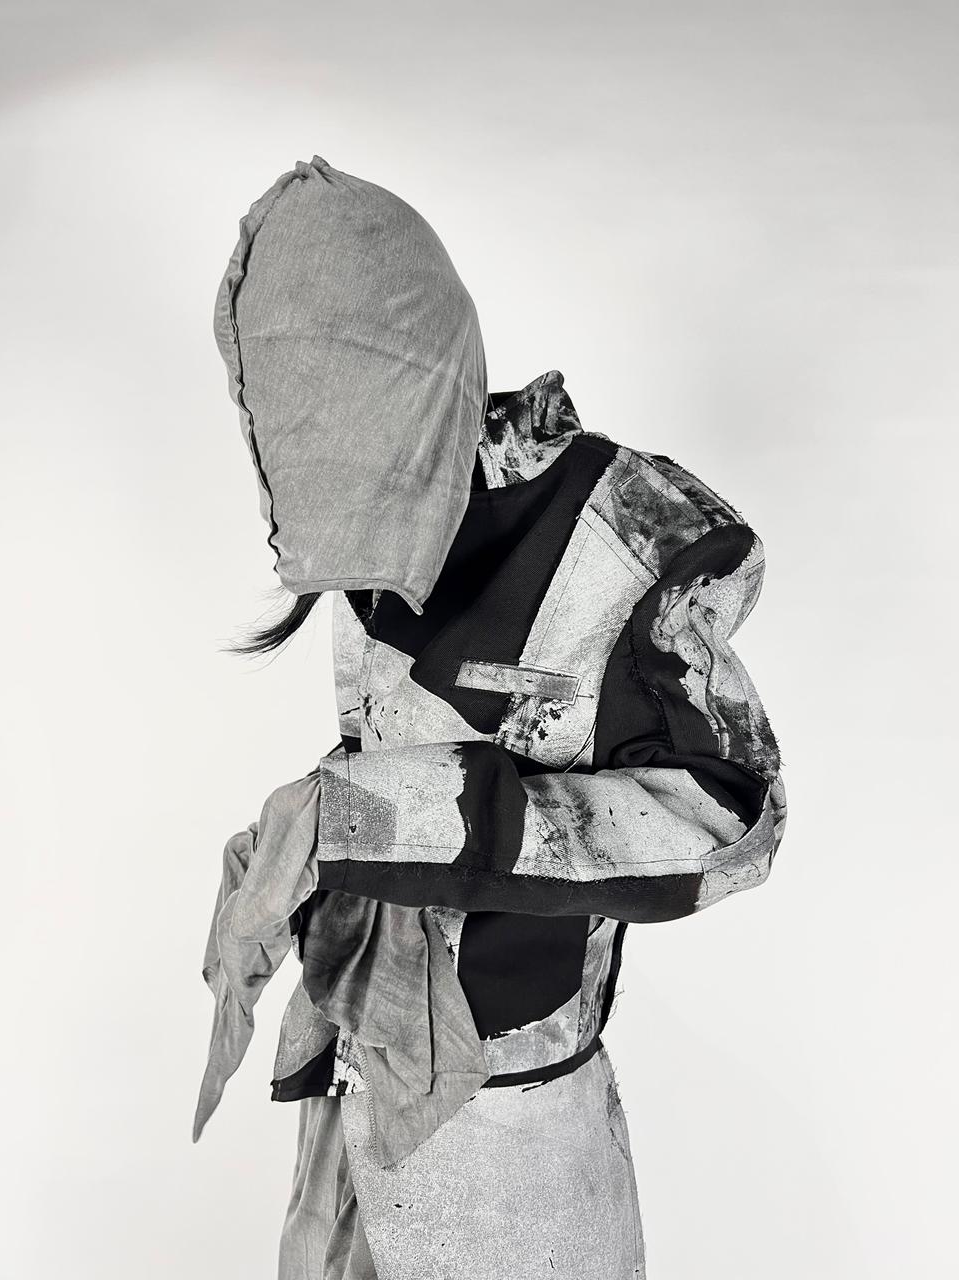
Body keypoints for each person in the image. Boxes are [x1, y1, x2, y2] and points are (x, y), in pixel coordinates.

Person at [193, 155, 788, 1280]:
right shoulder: (380, 535)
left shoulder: (633, 532)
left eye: (338, 406)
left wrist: (365, 817)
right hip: (355, 1096)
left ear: (411, 369)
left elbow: (732, 820)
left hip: (519, 1147)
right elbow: (401, 736)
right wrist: (298, 842)